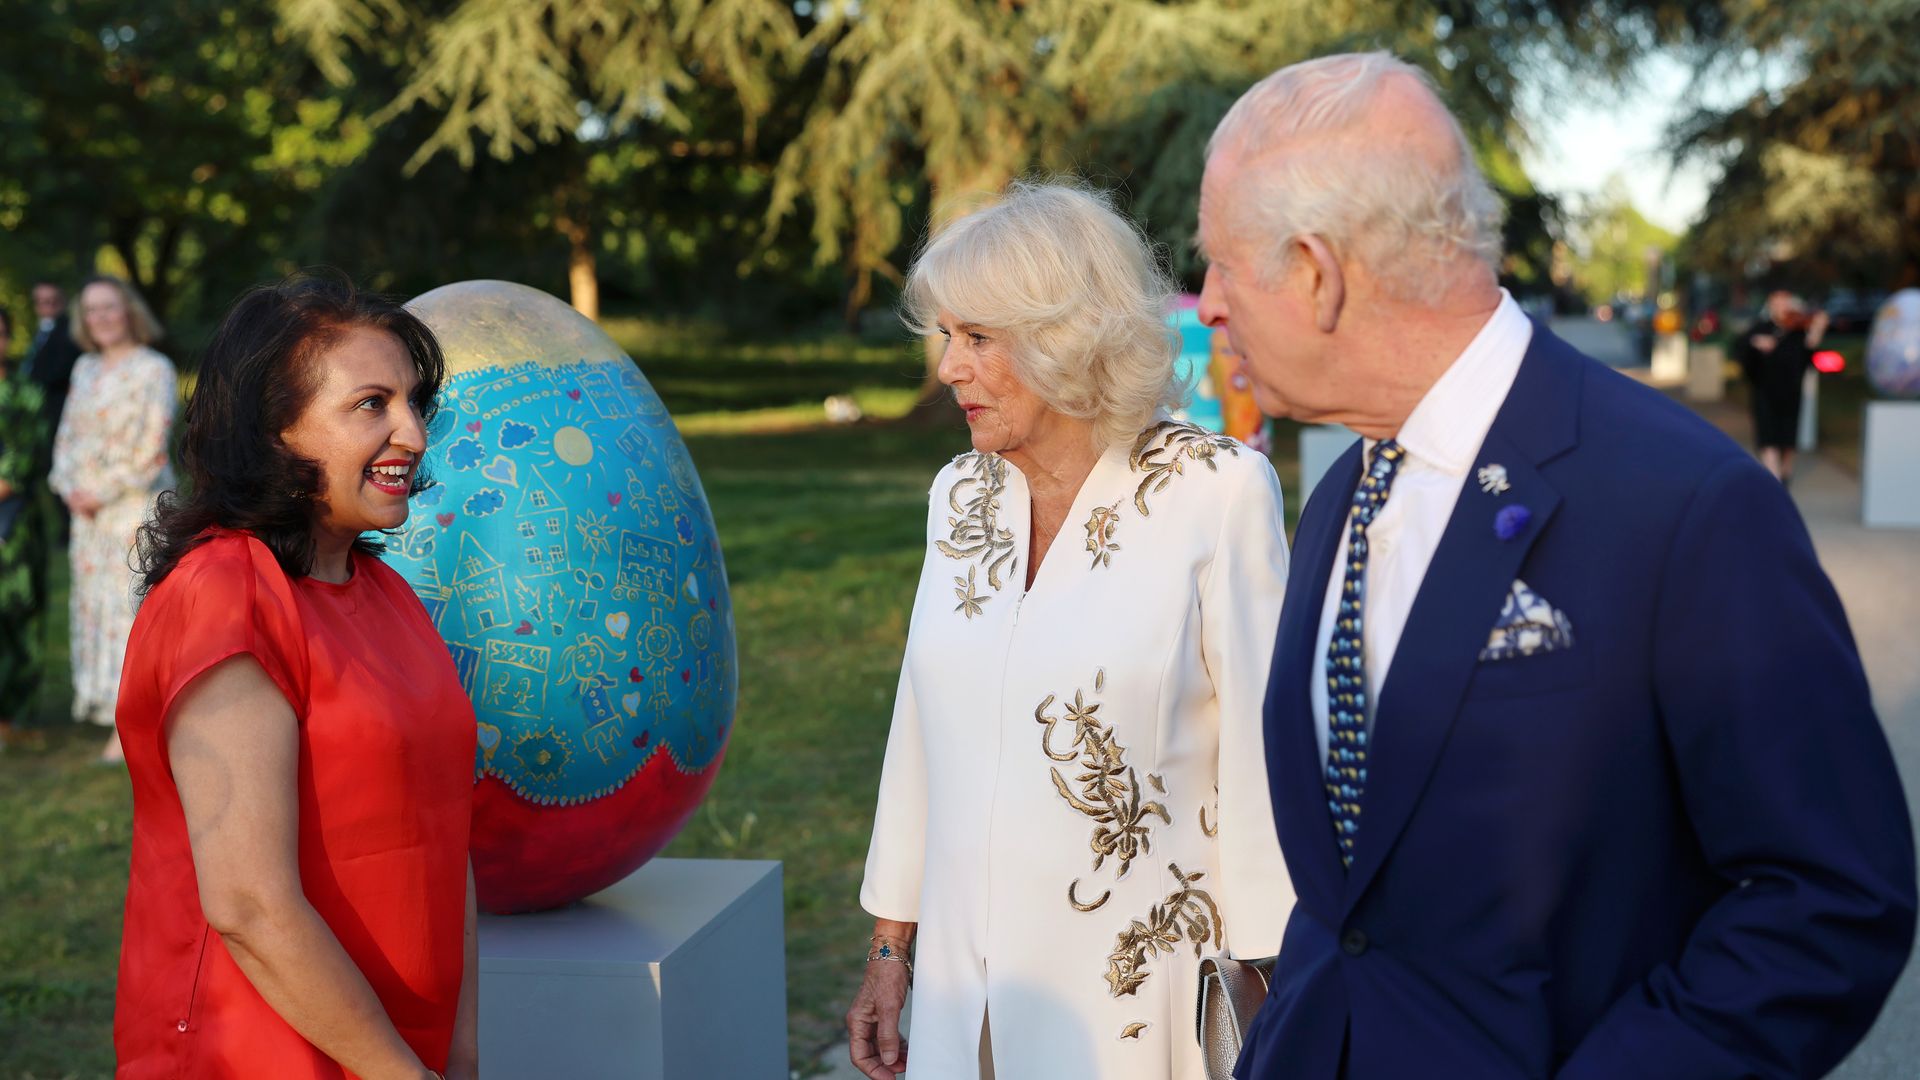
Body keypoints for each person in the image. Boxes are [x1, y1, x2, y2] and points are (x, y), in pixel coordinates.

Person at [1194, 52, 1916, 1079]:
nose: (1207, 304)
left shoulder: (1687, 504)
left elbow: (1832, 899)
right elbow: (1353, 898)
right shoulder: (1344, 491)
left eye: (1222, 266)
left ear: (1318, 274)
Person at [846, 182, 1294, 1080]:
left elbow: (1266, 758)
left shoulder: (1216, 491)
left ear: (1067, 337)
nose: (950, 368)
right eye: (947, 336)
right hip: (962, 999)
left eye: (978, 338)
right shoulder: (960, 495)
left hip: (1137, 1005)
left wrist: (1273, 985)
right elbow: (921, 726)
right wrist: (891, 947)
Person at [115, 273, 477, 1078]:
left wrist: (459, 1054)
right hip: (259, 1054)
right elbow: (247, 904)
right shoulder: (226, 595)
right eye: (371, 405)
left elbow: (448, 842)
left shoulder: (388, 595)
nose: (414, 435)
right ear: (274, 432)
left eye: (415, 402)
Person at [47, 275, 177, 763]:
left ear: (129, 311)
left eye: (109, 307)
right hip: (88, 514)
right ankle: (111, 706)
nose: (100, 317)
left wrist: (101, 491)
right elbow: (66, 436)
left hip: (132, 507)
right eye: (91, 309)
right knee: (96, 608)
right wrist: (69, 487)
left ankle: (139, 715)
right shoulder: (84, 368)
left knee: (131, 608)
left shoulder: (154, 368)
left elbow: (152, 446)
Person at [0, 309, 50, 749]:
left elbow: (18, 468)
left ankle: (12, 714)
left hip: (13, 527)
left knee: (17, 613)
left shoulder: (26, 393)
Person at [1733, 289, 1829, 483]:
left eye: (1785, 303)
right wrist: (1756, 343)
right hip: (1765, 392)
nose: (1781, 307)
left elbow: (1810, 353)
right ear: (1770, 305)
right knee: (1768, 439)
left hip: (1791, 392)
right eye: (1777, 303)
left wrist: (1818, 329)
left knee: (1787, 442)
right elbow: (1740, 348)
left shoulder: (1799, 330)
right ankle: (1775, 482)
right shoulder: (1760, 328)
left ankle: (1783, 475)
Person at [23, 280, 81, 424]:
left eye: (52, 301)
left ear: (62, 302)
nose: (47, 306)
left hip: (57, 410)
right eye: (41, 301)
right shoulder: (43, 330)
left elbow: (57, 371)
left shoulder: (69, 332)